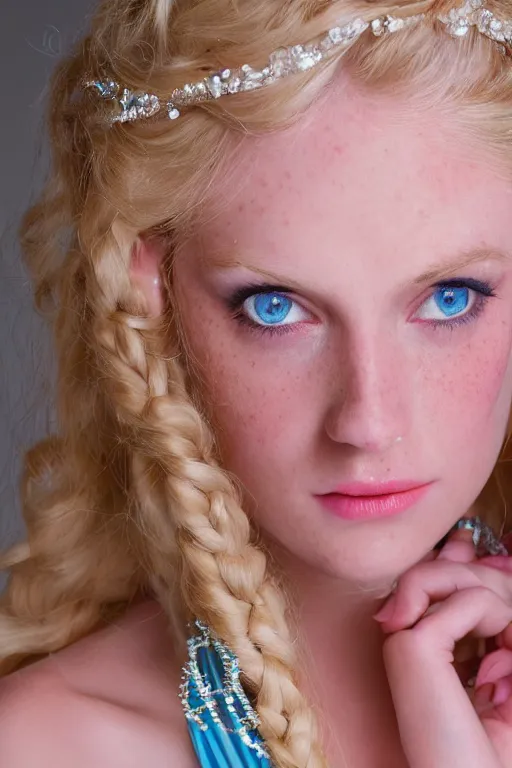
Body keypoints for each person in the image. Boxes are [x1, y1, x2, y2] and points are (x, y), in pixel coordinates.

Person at [2, 0, 512, 764]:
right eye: (276, 309)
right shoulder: (51, 746)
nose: (368, 421)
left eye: (450, 299)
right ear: (152, 296)